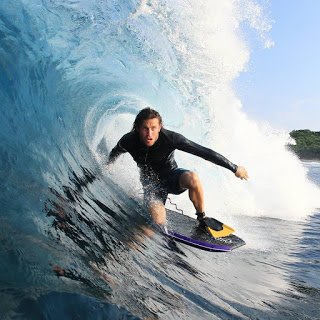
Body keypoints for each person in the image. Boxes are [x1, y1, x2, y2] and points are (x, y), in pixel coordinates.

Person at [107, 108, 248, 230]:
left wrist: (234, 168)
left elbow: (203, 152)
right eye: (145, 128)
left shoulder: (171, 138)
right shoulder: (128, 141)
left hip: (172, 177)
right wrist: (109, 165)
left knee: (193, 178)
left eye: (153, 128)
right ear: (137, 128)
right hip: (151, 185)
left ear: (160, 127)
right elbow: (115, 151)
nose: (149, 133)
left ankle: (202, 217)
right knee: (158, 220)